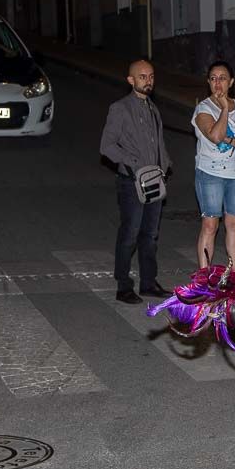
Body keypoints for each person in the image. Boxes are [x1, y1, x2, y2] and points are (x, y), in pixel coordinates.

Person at [100, 59, 172, 304]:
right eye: (142, 77)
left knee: (150, 235)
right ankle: (123, 286)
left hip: (154, 181)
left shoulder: (153, 108)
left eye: (151, 76)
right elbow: (107, 146)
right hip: (131, 182)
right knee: (130, 234)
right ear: (130, 80)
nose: (148, 81)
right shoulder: (120, 108)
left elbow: (159, 140)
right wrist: (132, 162)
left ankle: (148, 283)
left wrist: (165, 165)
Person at [192, 61, 235, 269]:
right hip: (210, 174)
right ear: (208, 82)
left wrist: (230, 140)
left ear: (231, 82)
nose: (218, 83)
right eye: (213, 78)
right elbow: (216, 136)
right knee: (210, 224)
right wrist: (225, 110)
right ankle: (204, 276)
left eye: (222, 78)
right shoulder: (203, 109)